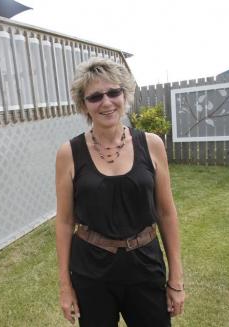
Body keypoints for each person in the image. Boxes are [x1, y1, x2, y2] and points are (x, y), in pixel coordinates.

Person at [55, 57, 185, 327]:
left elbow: (166, 212)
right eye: (95, 96)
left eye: (114, 92)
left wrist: (176, 278)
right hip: (91, 271)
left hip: (145, 264)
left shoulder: (152, 145)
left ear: (124, 95)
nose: (106, 102)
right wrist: (66, 287)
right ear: (83, 105)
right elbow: (65, 222)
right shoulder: (69, 153)